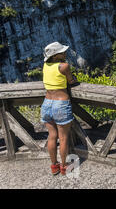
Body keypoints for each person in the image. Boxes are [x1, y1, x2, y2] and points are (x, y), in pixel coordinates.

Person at [40, 42, 78, 176]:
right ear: (56, 56)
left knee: (52, 136)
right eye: (62, 52)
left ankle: (54, 167)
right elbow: (71, 81)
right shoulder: (64, 66)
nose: (65, 53)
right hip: (60, 104)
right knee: (63, 138)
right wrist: (73, 79)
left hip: (46, 103)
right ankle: (64, 167)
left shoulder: (45, 65)